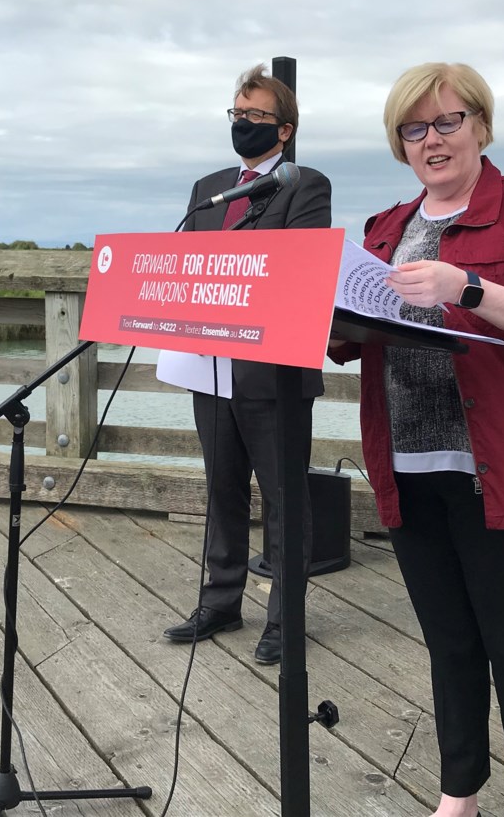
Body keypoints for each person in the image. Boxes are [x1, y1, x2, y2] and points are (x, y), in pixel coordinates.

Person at [329, 63, 504, 817]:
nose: (432, 139)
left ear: (480, 124)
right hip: (408, 461)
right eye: (415, 128)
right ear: (399, 141)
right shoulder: (385, 227)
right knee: (448, 642)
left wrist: (465, 287)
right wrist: (330, 317)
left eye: (448, 122)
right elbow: (359, 337)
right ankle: (460, 793)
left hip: (503, 466)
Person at [161, 64, 332, 665]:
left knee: (285, 498)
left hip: (273, 371)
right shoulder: (209, 186)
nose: (242, 125)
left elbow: (292, 266)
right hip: (207, 365)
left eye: (255, 117)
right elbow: (186, 263)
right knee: (222, 489)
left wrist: (228, 270)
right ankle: (220, 601)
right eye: (236, 114)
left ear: (283, 130)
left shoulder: (304, 185)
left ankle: (285, 617)